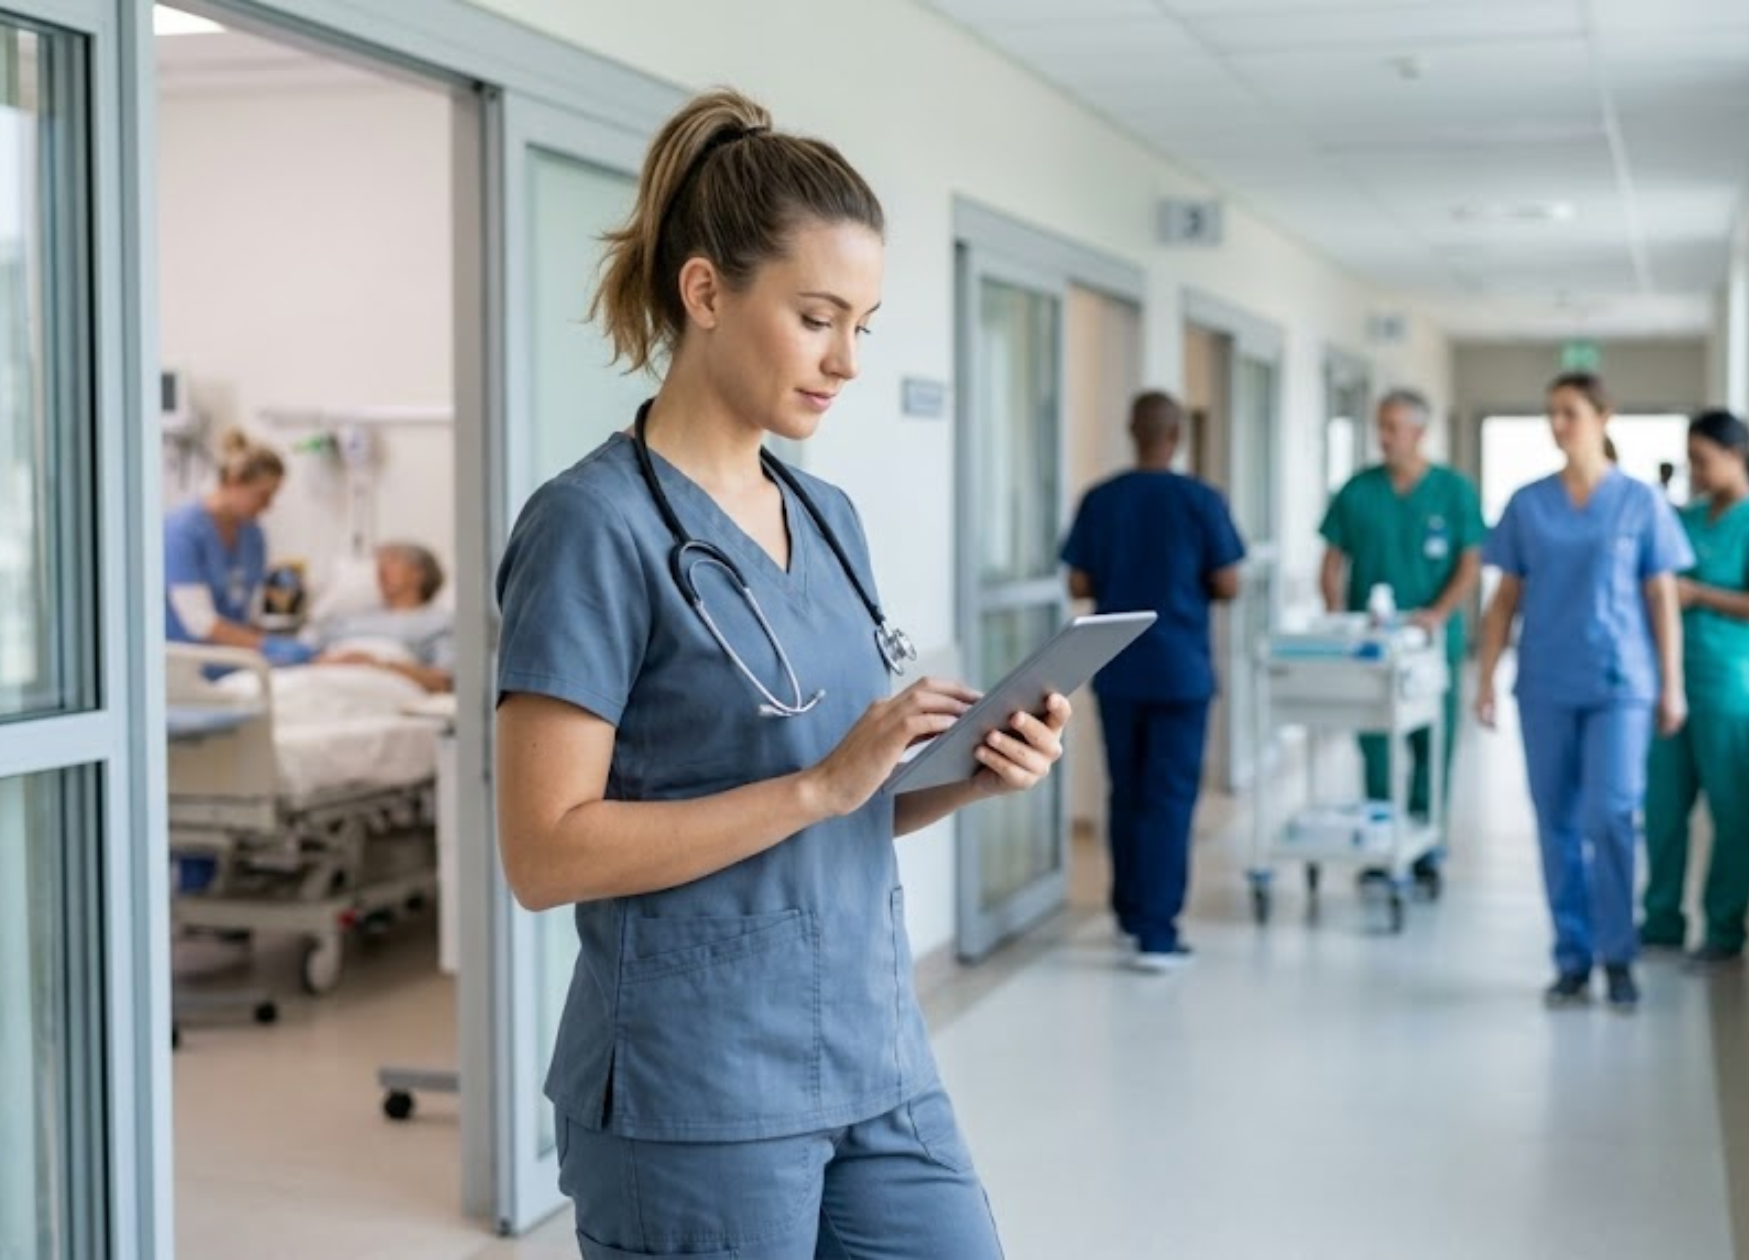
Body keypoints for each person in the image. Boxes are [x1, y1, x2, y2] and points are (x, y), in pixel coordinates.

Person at [492, 88, 1068, 1259]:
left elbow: (838, 802)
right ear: (706, 293)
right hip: (693, 1089)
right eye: (816, 318)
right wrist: (818, 787)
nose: (846, 360)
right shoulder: (591, 527)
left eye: (863, 325)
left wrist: (962, 776)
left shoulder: (828, 517)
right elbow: (544, 854)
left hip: (874, 1051)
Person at [1475, 372, 1693, 1009]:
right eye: (1551, 413)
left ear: (1603, 416)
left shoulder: (1640, 503)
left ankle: (1617, 953)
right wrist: (1486, 678)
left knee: (1611, 814)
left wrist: (1672, 685)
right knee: (1556, 823)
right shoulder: (1527, 504)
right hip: (1545, 682)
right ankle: (1571, 957)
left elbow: (1662, 598)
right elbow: (1504, 599)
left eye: (1570, 412)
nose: (1558, 425)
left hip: (1620, 684)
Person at [1061, 390, 1246, 972]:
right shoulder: (1200, 500)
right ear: (1177, 436)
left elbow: (1077, 582)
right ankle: (1158, 934)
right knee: (1168, 798)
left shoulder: (1102, 499)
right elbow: (1230, 583)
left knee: (1126, 792)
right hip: (1180, 673)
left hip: (1118, 670)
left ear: (1131, 431)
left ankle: (1128, 913)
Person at [1640, 411, 1749, 965]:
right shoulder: (1687, 518)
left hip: (1733, 687)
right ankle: (1661, 920)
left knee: (1730, 809)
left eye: (1703, 460)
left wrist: (1700, 595)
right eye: (1691, 461)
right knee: (1663, 807)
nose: (1696, 471)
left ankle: (1724, 930)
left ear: (1737, 456)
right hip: (1674, 681)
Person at [1318, 388, 1484, 886]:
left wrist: (1438, 613)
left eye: (1393, 428)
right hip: (1370, 647)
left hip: (1431, 645)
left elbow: (1470, 564)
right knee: (1373, 744)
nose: (1384, 438)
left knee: (1432, 743)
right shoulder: (1357, 491)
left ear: (1419, 432)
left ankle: (1426, 842)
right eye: (1381, 427)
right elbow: (1331, 564)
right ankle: (1380, 840)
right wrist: (1336, 619)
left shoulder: (1453, 491)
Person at [162, 429, 312, 665]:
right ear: (234, 482)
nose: (268, 506)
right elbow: (200, 622)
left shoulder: (253, 536)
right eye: (262, 495)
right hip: (186, 667)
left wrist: (279, 645)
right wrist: (266, 646)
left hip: (235, 664)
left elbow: (247, 614)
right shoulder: (181, 532)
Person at [311, 542, 456, 693]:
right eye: (379, 562)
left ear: (418, 573)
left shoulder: (440, 622)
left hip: (385, 683)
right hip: (322, 675)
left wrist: (377, 665)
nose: (381, 569)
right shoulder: (346, 618)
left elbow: (443, 682)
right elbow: (310, 656)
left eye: (393, 560)